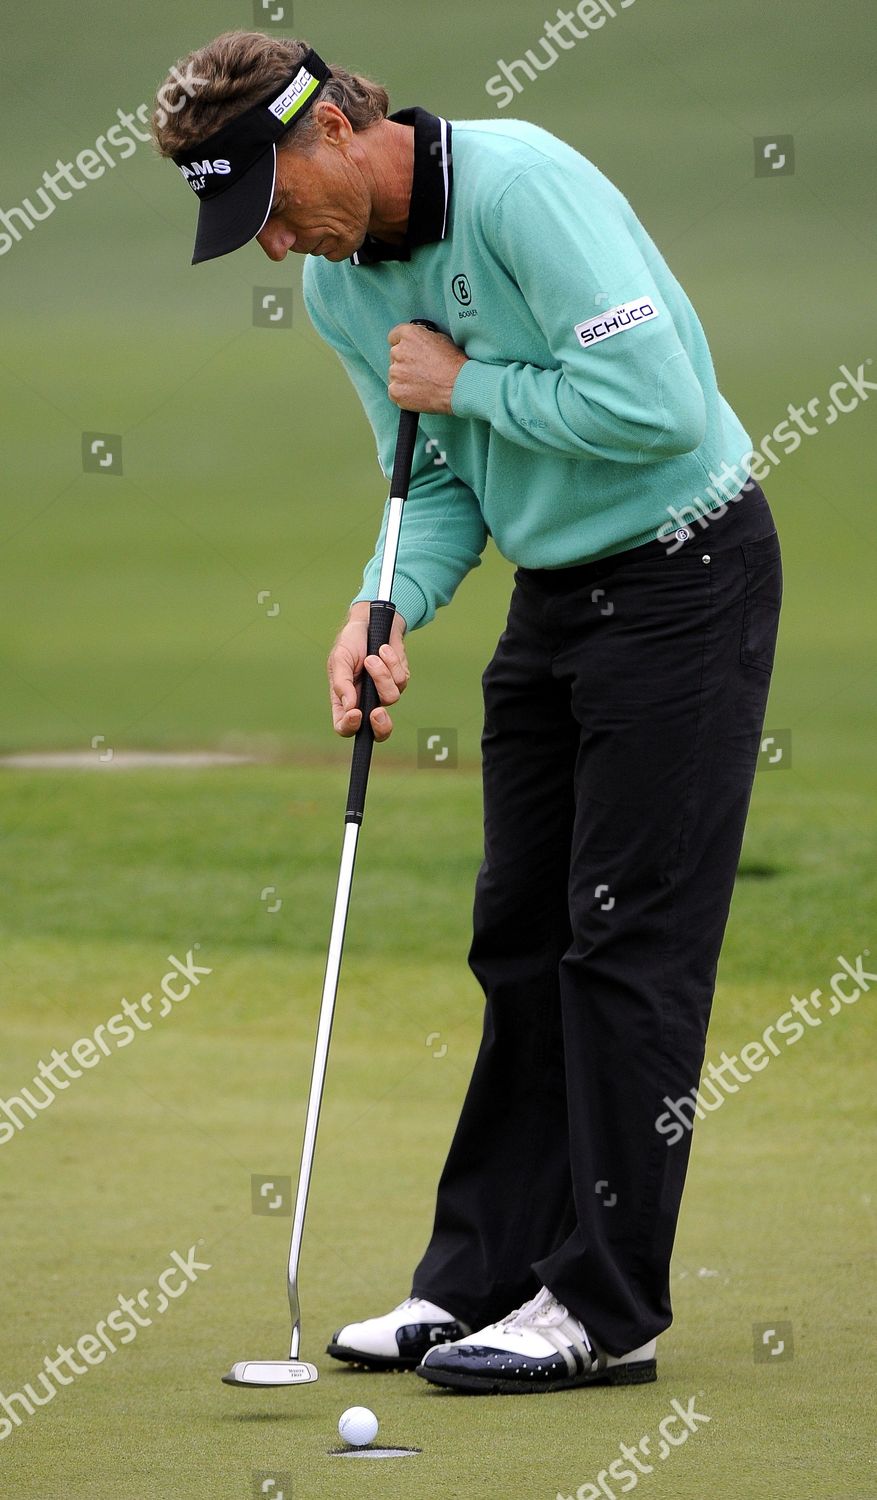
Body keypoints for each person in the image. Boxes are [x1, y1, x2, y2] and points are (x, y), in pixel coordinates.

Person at [152, 31, 783, 1395]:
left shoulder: (521, 188)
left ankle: (603, 1310)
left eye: (270, 208)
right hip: (555, 599)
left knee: (624, 948)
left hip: (683, 574)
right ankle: (484, 1278)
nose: (276, 249)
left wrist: (466, 383)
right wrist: (380, 607)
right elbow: (434, 485)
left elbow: (661, 408)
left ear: (329, 133)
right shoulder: (341, 293)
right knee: (518, 941)